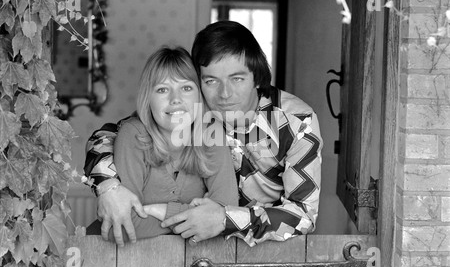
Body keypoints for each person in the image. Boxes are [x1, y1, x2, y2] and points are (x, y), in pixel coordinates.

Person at [84, 21, 323, 247]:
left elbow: (303, 216)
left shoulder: (295, 123)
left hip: (256, 249)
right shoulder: (198, 108)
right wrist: (108, 186)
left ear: (257, 77)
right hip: (182, 249)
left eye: (237, 78)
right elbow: (111, 135)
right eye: (211, 81)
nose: (225, 94)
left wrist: (224, 219)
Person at [85, 46, 238, 241]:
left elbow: (227, 214)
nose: (176, 99)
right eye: (163, 89)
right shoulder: (133, 135)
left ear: (199, 95)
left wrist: (163, 211)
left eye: (186, 88)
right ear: (148, 98)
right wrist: (196, 218)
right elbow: (125, 226)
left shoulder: (211, 134)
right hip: (111, 259)